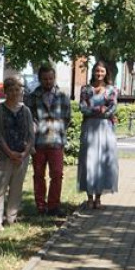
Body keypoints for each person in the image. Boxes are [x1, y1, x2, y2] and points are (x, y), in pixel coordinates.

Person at [26, 62, 72, 216]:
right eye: (45, 79)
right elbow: (29, 118)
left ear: (54, 78)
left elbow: (67, 118)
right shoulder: (32, 97)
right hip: (38, 142)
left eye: (50, 79)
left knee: (57, 174)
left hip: (56, 141)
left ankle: (53, 206)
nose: (48, 81)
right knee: (39, 175)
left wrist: (58, 131)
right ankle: (40, 206)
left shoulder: (62, 96)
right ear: (39, 79)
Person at [0, 77, 35, 230]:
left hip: (22, 157)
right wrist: (10, 153)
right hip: (2, 156)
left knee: (16, 188)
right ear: (5, 92)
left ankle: (11, 218)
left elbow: (31, 135)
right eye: (11, 90)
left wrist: (23, 154)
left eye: (17, 89)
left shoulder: (26, 110)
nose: (15, 93)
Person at [78, 61, 119, 209]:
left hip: (106, 129)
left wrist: (97, 110)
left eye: (102, 71)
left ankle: (98, 198)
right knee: (89, 161)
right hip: (89, 128)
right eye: (97, 71)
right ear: (93, 72)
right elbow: (83, 108)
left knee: (103, 162)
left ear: (106, 72)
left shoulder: (112, 89)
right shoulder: (85, 89)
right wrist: (101, 109)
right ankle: (89, 197)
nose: (99, 74)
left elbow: (112, 108)